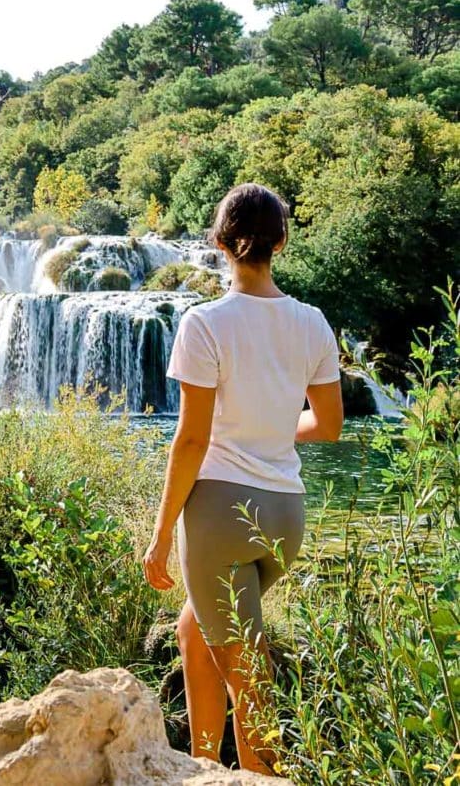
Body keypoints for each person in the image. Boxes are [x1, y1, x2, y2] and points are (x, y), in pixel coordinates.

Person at [143, 182, 343, 775]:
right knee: (193, 629)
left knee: (249, 683)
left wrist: (160, 535)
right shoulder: (312, 322)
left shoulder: (205, 324)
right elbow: (328, 425)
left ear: (221, 243)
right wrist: (272, 429)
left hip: (221, 520)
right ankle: (205, 765)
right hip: (284, 519)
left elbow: (192, 441)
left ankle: (260, 779)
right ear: (280, 242)